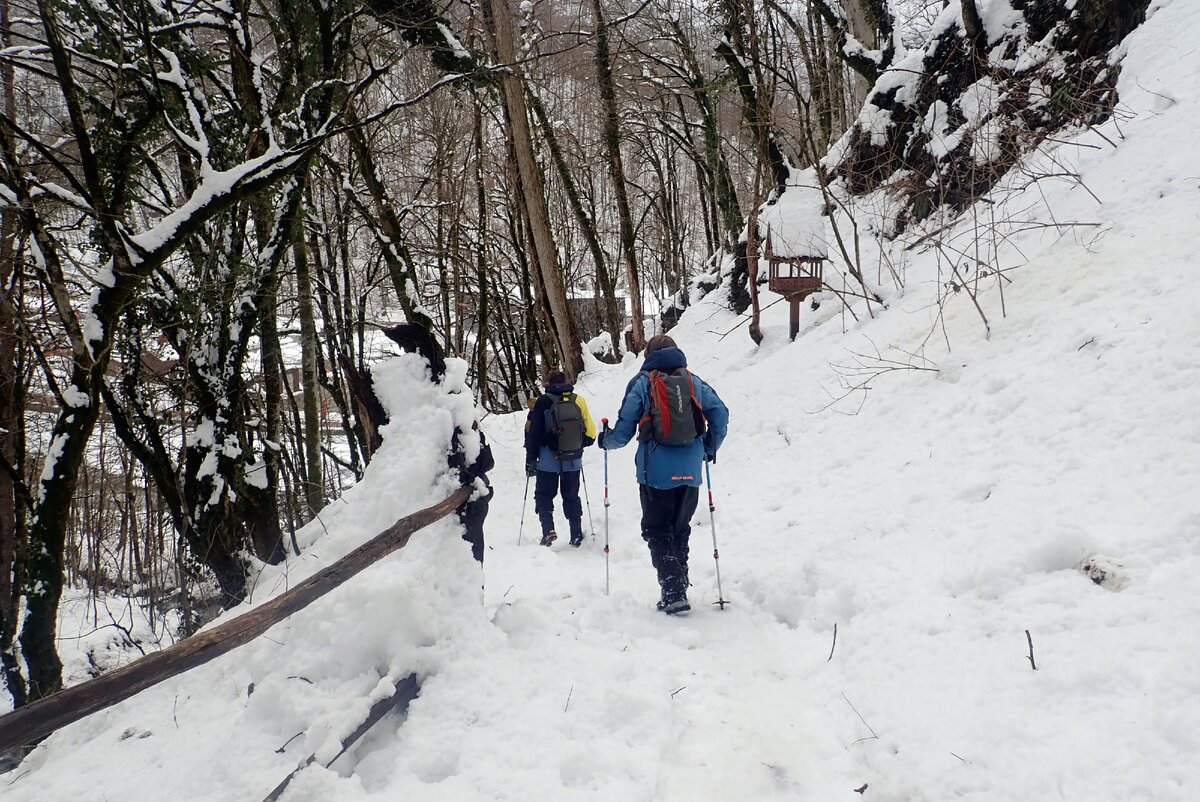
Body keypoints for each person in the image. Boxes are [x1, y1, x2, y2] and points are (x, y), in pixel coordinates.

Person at [599, 334, 728, 614]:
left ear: (649, 354)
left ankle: (673, 591)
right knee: (679, 529)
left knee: (657, 530)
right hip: (691, 469)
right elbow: (720, 412)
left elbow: (623, 431)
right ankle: (679, 584)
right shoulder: (693, 381)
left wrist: (605, 441)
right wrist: (709, 447)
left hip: (655, 472)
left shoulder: (643, 383)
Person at [525, 370, 597, 547]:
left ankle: (548, 530)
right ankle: (576, 533)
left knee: (543, 495)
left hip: (548, 459)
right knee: (571, 496)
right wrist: (578, 445)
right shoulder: (578, 400)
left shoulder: (543, 401)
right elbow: (591, 433)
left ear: (547, 383)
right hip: (572, 459)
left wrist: (531, 458)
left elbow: (534, 433)